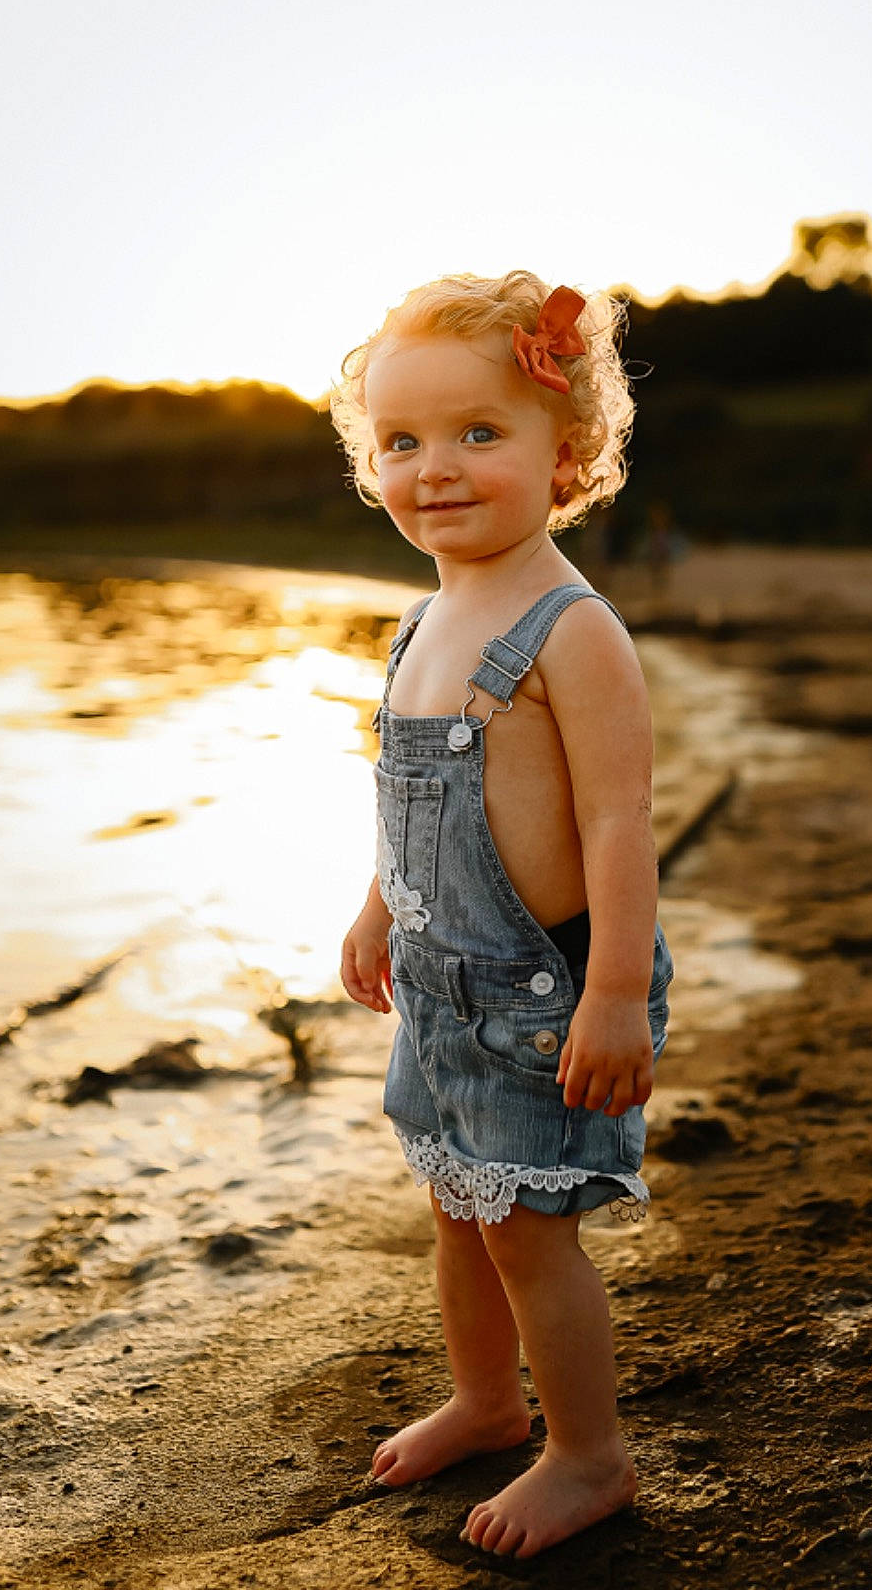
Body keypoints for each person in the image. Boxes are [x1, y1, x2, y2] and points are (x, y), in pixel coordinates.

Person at [331, 270, 673, 1559]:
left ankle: (589, 1456)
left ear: (565, 450)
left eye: (479, 432)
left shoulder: (572, 631)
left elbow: (617, 824)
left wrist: (614, 995)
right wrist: (377, 908)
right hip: (437, 987)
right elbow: (410, 795)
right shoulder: (423, 620)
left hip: (543, 995)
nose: (436, 468)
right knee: (458, 1209)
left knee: (528, 1235)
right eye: (402, 441)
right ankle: (485, 1401)